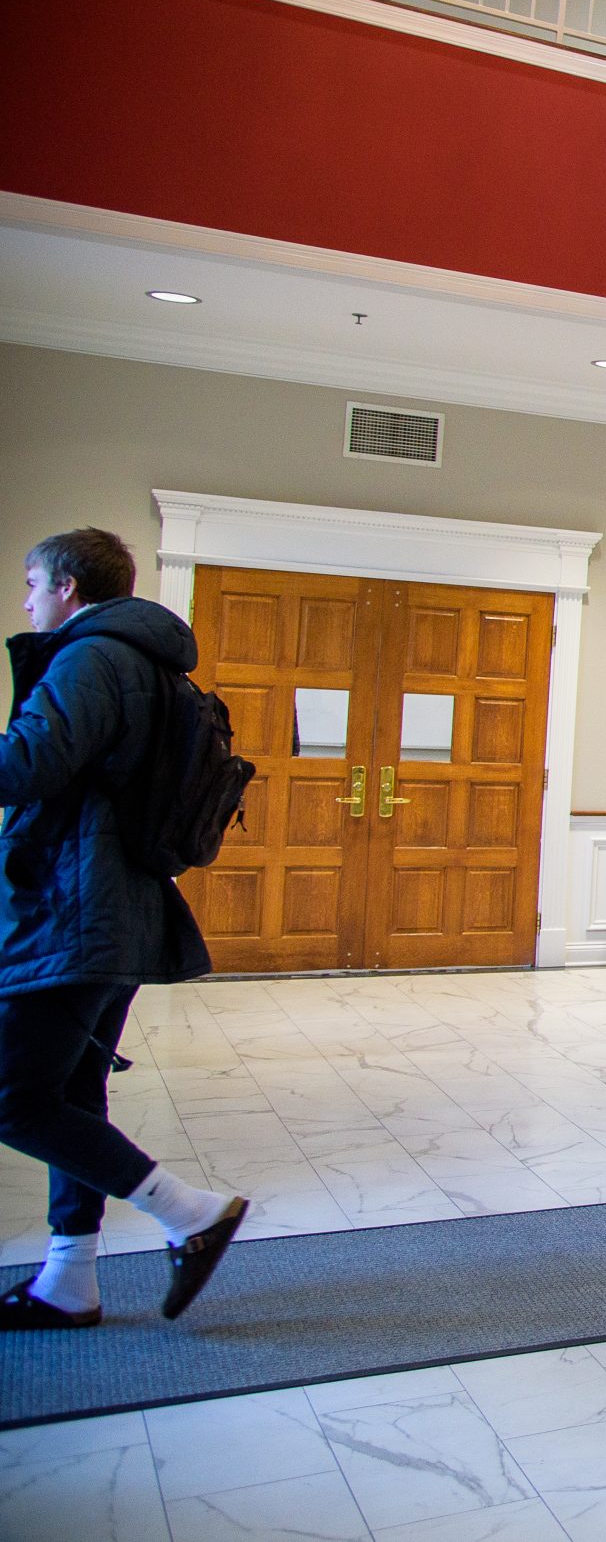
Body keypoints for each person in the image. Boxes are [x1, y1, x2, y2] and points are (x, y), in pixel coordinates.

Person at [1, 529, 248, 1329]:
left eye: (35, 583)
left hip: (77, 912)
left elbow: (28, 765)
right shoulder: (148, 661)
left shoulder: (89, 658)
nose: (28, 599)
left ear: (69, 586)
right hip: (119, 912)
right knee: (70, 1092)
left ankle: (191, 1212)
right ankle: (68, 1281)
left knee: (13, 1098)